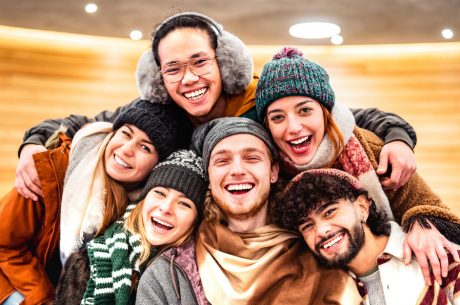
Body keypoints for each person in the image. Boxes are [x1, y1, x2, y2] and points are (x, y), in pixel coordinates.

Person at [16, 12, 417, 202]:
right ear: (158, 78)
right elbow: (85, 122)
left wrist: (397, 139)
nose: (188, 79)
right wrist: (34, 143)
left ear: (224, 62)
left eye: (199, 63)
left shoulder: (263, 98)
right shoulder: (160, 109)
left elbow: (351, 117)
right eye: (173, 69)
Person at [255, 46, 460, 285]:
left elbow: (432, 209)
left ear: (326, 113)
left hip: (399, 275)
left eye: (305, 110)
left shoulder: (366, 147)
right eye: (278, 117)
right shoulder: (270, 172)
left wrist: (421, 223)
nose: (293, 127)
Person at [137, 117, 363, 305]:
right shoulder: (168, 277)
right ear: (209, 178)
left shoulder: (320, 248)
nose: (237, 170)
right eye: (222, 161)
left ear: (273, 171)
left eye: (252, 158)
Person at [0, 100, 190, 305]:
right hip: (16, 282)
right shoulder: (53, 169)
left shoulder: (147, 211)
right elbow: (5, 246)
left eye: (145, 147)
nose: (126, 149)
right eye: (126, 134)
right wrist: (44, 301)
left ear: (157, 166)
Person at [271, 168, 460, 305]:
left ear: (362, 207)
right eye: (307, 225)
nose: (321, 230)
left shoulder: (434, 252)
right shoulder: (324, 292)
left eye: (329, 212)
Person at [55, 149, 208, 305]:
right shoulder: (87, 262)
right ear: (143, 201)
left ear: (195, 220)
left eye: (184, 203)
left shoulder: (195, 276)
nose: (166, 208)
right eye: (160, 193)